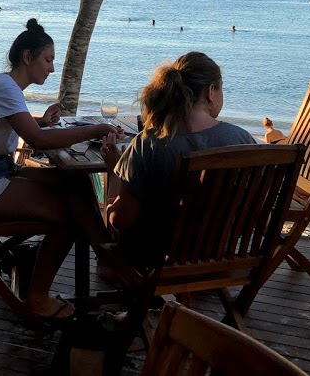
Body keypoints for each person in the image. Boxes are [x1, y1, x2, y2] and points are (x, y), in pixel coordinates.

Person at [0, 18, 122, 321]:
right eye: (48, 59)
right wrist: (94, 130)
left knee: (76, 183)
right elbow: (38, 140)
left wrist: (41, 121)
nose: (52, 68)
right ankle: (38, 297)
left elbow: (24, 128)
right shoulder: (6, 87)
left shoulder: (5, 85)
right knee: (67, 215)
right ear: (27, 58)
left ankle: (107, 258)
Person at [101, 52, 256, 261]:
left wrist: (113, 174)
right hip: (219, 256)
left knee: (89, 202)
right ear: (211, 91)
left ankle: (109, 267)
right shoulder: (242, 140)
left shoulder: (149, 143)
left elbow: (120, 221)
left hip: (157, 260)